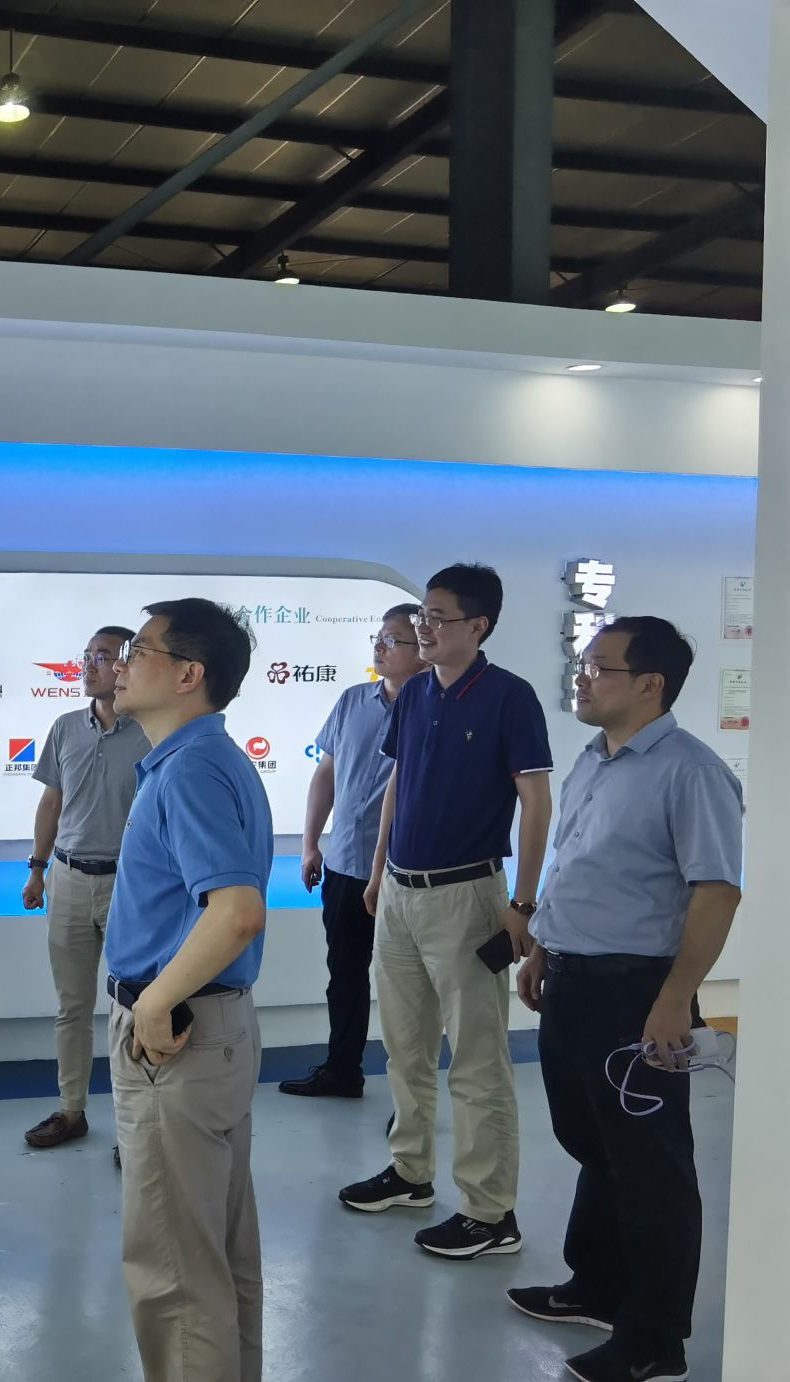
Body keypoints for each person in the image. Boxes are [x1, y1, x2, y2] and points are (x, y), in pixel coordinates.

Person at [510, 618, 740, 1382]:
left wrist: (676, 998)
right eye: (583, 663)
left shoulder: (691, 772)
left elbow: (717, 892)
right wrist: (543, 947)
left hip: (638, 993)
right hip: (573, 982)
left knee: (650, 1167)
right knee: (593, 1144)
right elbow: (575, 863)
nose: (582, 677)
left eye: (599, 667)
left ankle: (654, 1340)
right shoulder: (594, 760)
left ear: (650, 684)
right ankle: (598, 1287)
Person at [340, 563, 552, 1261]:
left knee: (477, 1060)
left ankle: (491, 1212)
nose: (422, 628)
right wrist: (379, 872)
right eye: (420, 616)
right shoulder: (413, 694)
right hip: (400, 893)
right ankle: (410, 1172)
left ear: (478, 626)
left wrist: (523, 904)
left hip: (468, 896)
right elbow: (397, 782)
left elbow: (535, 801)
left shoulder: (510, 697)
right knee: (404, 1046)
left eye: (437, 617)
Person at [105, 599, 273, 1381]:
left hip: (177, 1037)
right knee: (216, 1254)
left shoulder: (192, 770)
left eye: (140, 649)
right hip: (210, 1030)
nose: (123, 663)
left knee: (175, 1274)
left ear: (187, 675)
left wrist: (151, 1000)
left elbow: (236, 912)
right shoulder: (202, 760)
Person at [283, 603, 424, 1098]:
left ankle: (412, 1099)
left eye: (393, 640)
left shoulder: (434, 708)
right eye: (378, 638)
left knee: (407, 984)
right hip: (344, 863)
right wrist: (310, 845)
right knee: (344, 975)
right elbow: (326, 772)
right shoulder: (352, 700)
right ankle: (342, 1070)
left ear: (423, 650)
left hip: (402, 872)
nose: (380, 647)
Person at [21, 624, 146, 1157]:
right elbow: (52, 802)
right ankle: (71, 1111)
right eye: (88, 655)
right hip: (68, 878)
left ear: (126, 665)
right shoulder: (65, 726)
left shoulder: (150, 731)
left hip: (129, 883)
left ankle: (137, 1126)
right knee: (72, 1007)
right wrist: (37, 869)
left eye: (103, 656)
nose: (90, 665)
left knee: (133, 1008)